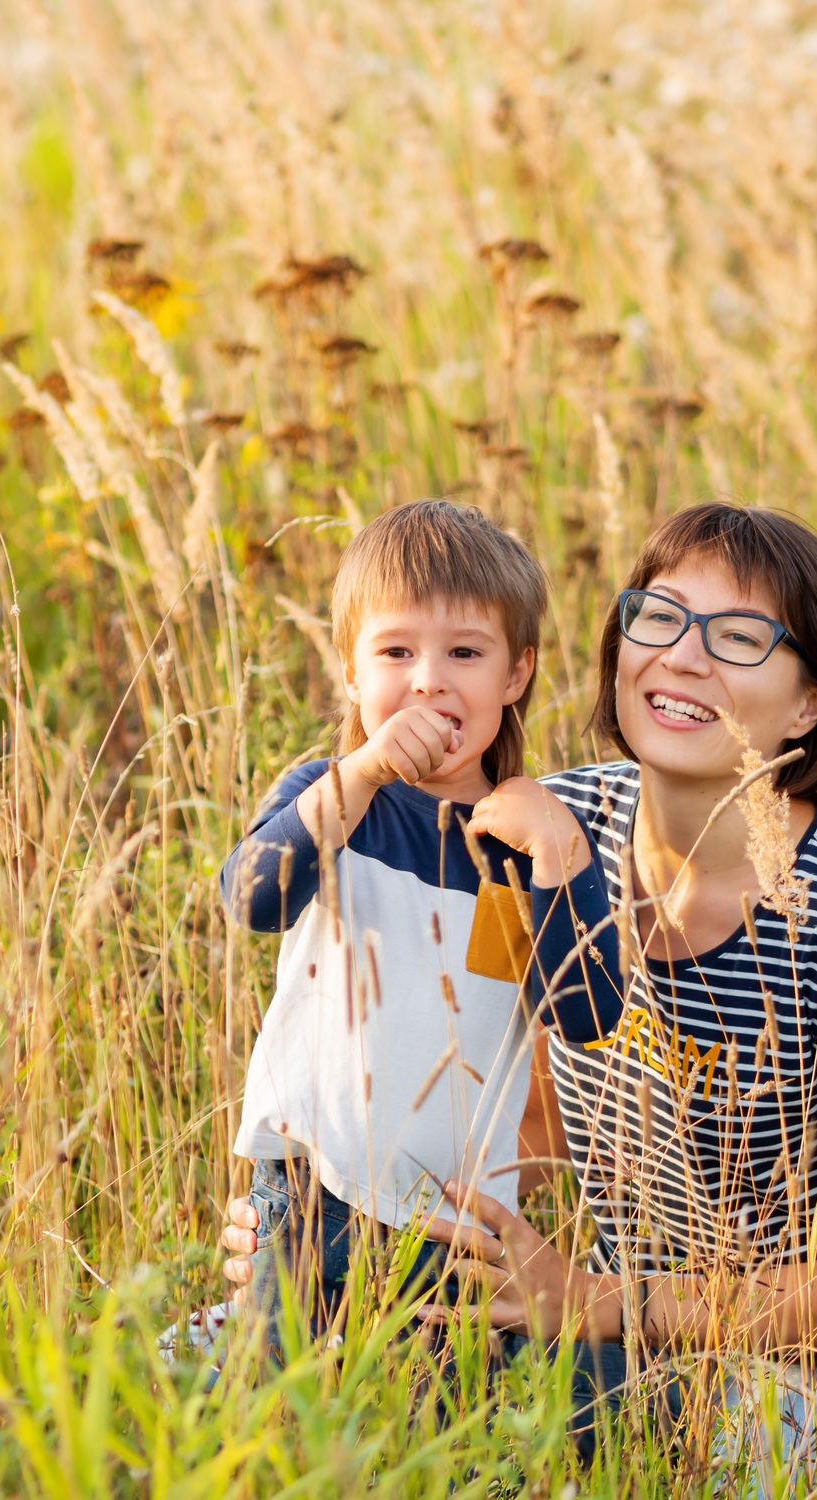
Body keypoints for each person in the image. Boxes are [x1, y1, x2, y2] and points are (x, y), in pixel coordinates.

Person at [219, 503, 817, 1493]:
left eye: (740, 638)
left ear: (807, 706)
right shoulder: (546, 825)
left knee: (443, 1429)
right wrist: (331, 1230)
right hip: (611, 1328)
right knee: (211, 1379)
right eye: (657, 619)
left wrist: (599, 1299)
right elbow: (521, 1115)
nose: (682, 658)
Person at [217, 499, 626, 1358]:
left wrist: (558, 855)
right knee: (276, 1394)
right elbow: (250, 896)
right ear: (353, 673)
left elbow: (588, 1015)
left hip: (456, 1216)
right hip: (307, 1184)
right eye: (396, 652)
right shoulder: (331, 798)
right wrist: (362, 771)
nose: (429, 680)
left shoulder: (524, 847)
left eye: (465, 653)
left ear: (516, 675)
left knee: (428, 1411)